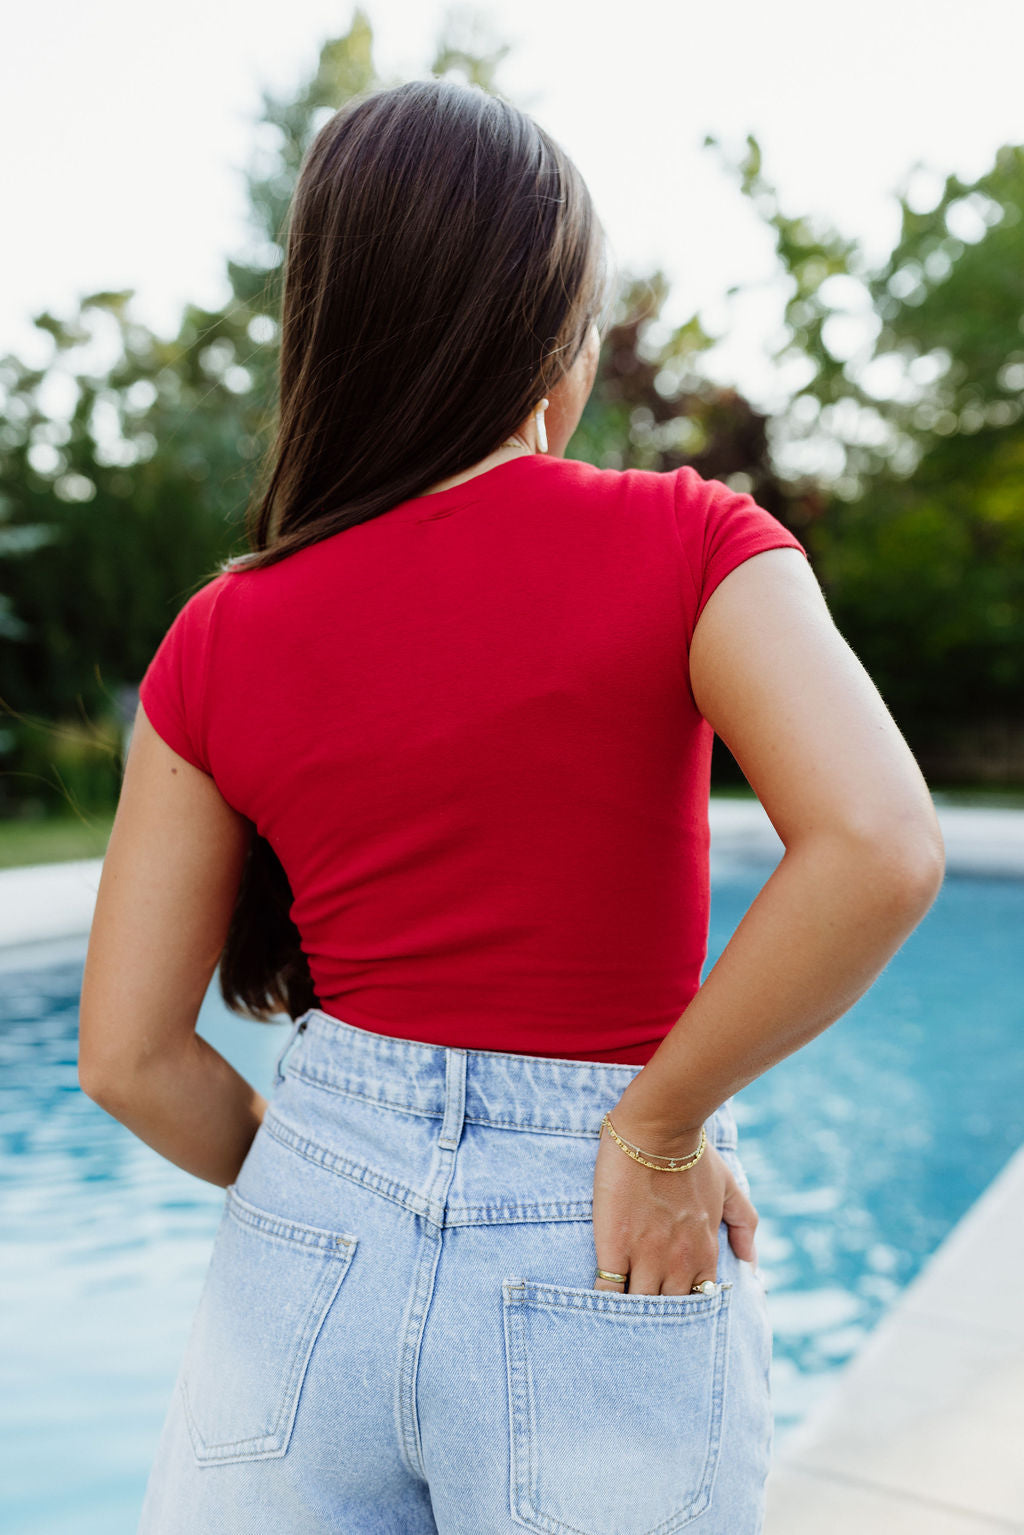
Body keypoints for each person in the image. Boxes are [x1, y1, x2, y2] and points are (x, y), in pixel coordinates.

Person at [78, 75, 945, 1535]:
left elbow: (126, 1058)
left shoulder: (218, 634)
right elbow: (880, 846)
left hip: (309, 1223)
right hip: (599, 1231)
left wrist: (328, 1187)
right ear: (552, 335)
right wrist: (658, 1128)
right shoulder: (691, 543)